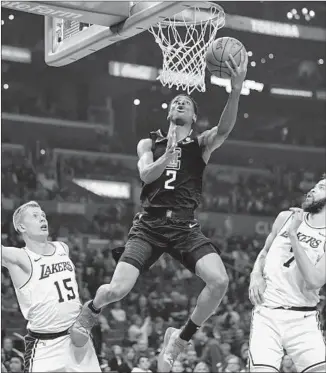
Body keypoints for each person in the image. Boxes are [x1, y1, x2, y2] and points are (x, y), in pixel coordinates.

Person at [70, 50, 248, 372]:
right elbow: (145, 174)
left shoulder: (201, 144)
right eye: (176, 101)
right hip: (148, 226)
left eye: (188, 103)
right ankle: (91, 311)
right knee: (116, 290)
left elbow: (224, 129)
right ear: (168, 112)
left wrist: (235, 90)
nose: (180, 103)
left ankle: (179, 339)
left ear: (194, 118)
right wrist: (166, 155)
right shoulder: (148, 143)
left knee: (220, 282)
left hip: (184, 227)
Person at [1, 201, 101, 372]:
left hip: (77, 338)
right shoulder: (19, 257)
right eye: (35, 216)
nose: (42, 218)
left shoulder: (62, 248)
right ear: (21, 227)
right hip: (44, 345)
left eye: (43, 215)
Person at [248, 177, 326, 372]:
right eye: (315, 185)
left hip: (303, 317)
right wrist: (255, 274)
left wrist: (294, 235)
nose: (313, 190)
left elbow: (314, 281)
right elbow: (264, 252)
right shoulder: (285, 217)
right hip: (267, 313)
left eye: (322, 188)